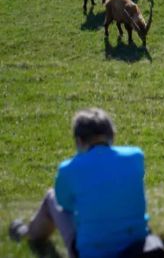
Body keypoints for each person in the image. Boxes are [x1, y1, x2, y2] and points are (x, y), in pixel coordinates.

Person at [8, 108, 150, 258]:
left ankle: (27, 233)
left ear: (79, 141)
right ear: (112, 135)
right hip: (137, 250)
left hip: (94, 253)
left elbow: (64, 204)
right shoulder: (135, 156)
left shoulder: (69, 168)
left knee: (52, 197)